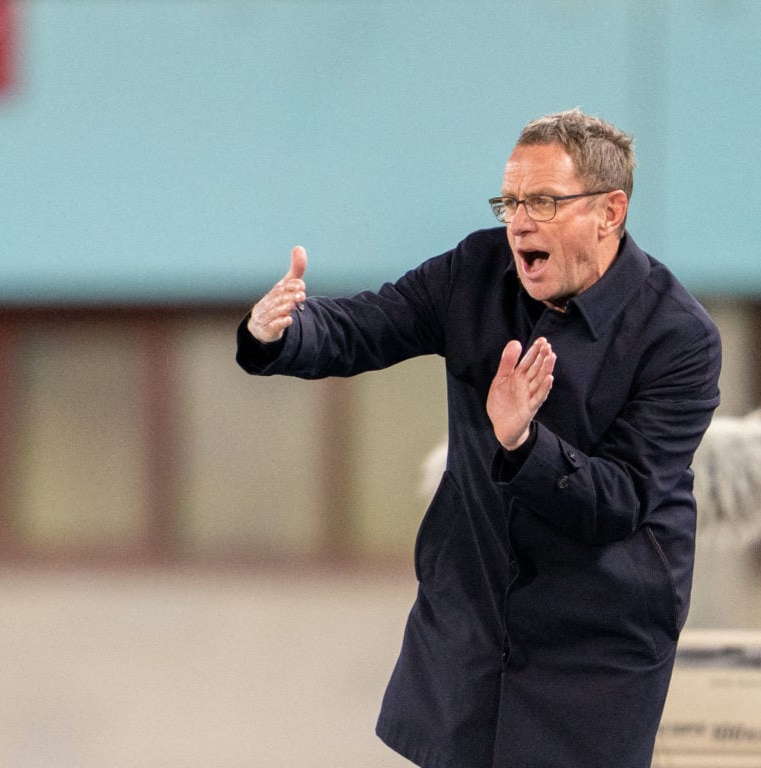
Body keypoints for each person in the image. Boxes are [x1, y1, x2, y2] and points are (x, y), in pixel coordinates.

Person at [236, 109, 722, 768]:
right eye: (511, 201)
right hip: (472, 617)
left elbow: (622, 499)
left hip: (596, 643)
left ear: (610, 212)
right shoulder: (476, 270)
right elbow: (371, 322)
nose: (519, 221)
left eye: (544, 201)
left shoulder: (678, 337)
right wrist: (284, 330)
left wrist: (523, 445)